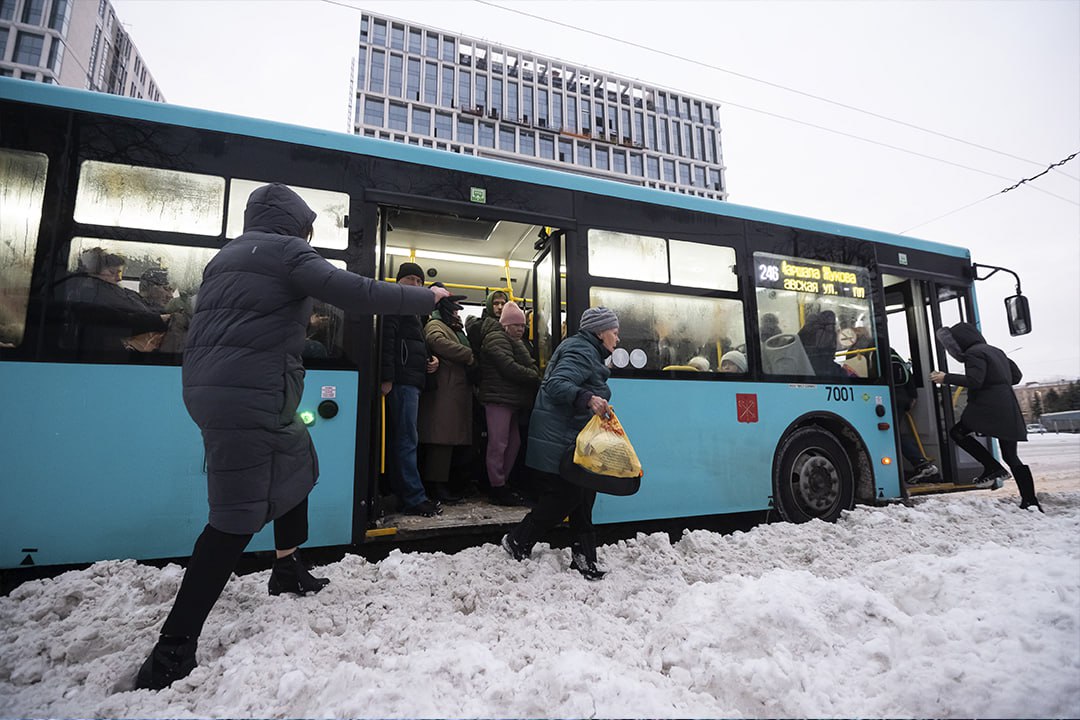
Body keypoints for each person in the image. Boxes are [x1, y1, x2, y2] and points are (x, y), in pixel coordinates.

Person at [134, 183, 446, 691]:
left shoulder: (228, 256)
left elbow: (246, 322)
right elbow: (357, 292)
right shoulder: (286, 251)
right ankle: (172, 651)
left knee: (299, 466)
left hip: (220, 387)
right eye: (309, 227)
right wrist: (422, 296)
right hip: (250, 395)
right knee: (233, 519)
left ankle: (286, 567)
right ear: (295, 221)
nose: (310, 235)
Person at [502, 306, 620, 581]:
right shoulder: (581, 350)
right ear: (600, 332)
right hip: (561, 438)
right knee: (566, 497)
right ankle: (518, 539)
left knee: (584, 495)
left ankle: (584, 557)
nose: (617, 338)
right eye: (614, 332)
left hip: (572, 438)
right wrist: (588, 398)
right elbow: (556, 384)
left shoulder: (587, 350)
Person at [930, 322, 1040, 511]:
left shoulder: (973, 353)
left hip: (989, 407)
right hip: (1007, 406)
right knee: (1011, 456)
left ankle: (991, 467)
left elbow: (975, 381)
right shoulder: (995, 351)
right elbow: (1016, 376)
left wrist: (945, 378)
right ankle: (1030, 501)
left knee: (958, 433)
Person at [381, 262, 443, 517]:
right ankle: (413, 498)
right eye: (410, 279)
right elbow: (387, 342)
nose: (416, 285)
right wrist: (387, 378)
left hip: (411, 381)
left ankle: (406, 493)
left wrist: (431, 359)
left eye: (419, 281)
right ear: (398, 282)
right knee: (407, 440)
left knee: (405, 439)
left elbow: (413, 345)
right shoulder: (395, 305)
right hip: (401, 382)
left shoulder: (414, 312)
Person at [479, 301, 540, 505]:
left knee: (513, 442)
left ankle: (501, 483)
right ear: (506, 325)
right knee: (499, 444)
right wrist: (534, 375)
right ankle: (497, 486)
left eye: (523, 326)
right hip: (498, 399)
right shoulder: (496, 338)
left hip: (509, 399)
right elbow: (509, 368)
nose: (521, 329)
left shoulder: (513, 341)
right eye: (517, 325)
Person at [419, 288, 475, 504]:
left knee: (449, 441)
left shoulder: (453, 327)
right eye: (453, 309)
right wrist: (469, 355)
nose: (457, 313)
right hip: (445, 391)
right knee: (441, 442)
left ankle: (445, 484)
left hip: (455, 392)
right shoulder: (436, 325)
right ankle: (436, 486)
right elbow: (436, 341)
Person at [58, 248, 170, 353]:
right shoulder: (92, 296)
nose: (118, 278)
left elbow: (147, 305)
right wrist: (160, 320)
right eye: (112, 272)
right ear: (93, 272)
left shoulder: (122, 291)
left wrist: (169, 313)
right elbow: (121, 319)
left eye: (119, 273)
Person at [891, 350, 940, 484]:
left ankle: (921, 464)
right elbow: (908, 374)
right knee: (893, 432)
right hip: (902, 397)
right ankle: (920, 464)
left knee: (891, 433)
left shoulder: (866, 352)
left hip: (890, 397)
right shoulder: (892, 353)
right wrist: (912, 395)